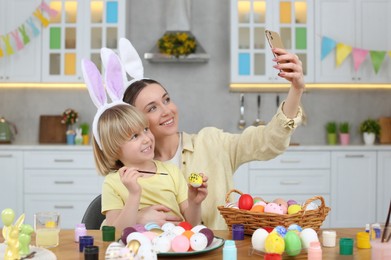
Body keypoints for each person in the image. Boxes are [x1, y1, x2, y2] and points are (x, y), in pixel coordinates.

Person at [119, 38, 305, 229]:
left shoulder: (212, 143)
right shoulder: (131, 170)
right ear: (135, 121)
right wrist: (135, 217)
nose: (167, 111)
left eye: (166, 100)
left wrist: (296, 89)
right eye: (152, 108)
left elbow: (268, 142)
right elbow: (108, 230)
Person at [81, 50, 208, 231]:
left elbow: (193, 224)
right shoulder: (114, 183)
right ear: (114, 149)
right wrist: (134, 195)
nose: (147, 138)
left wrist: (195, 203)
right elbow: (114, 233)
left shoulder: (171, 172)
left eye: (146, 130)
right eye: (134, 136)